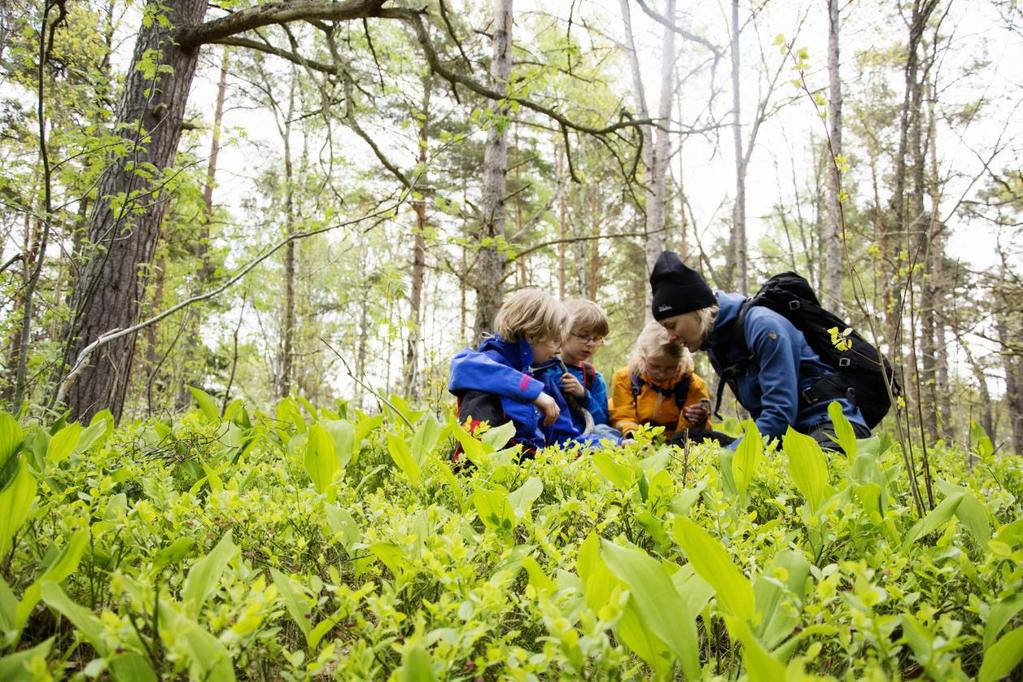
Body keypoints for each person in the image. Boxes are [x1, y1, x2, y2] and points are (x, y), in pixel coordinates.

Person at [649, 250, 871, 450]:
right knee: (686, 443)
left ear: (697, 311)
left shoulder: (763, 326)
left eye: (672, 325)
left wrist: (728, 457)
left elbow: (779, 415)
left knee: (818, 469)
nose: (671, 337)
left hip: (829, 426)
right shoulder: (716, 343)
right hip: (786, 436)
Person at [448, 289, 607, 459]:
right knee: (481, 390)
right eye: (554, 341)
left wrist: (611, 446)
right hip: (489, 461)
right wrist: (532, 392)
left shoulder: (543, 376)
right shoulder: (487, 362)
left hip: (529, 460)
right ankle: (469, 467)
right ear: (531, 336)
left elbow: (564, 437)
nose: (558, 349)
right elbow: (461, 367)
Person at [609, 320, 734, 446]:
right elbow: (622, 416)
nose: (662, 373)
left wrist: (697, 420)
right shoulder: (625, 378)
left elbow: (694, 434)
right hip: (634, 441)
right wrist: (634, 438)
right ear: (643, 356)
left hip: (674, 446)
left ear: (680, 361)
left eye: (670, 368)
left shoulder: (694, 385)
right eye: (654, 366)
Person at [533, 298, 620, 441]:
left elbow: (601, 420)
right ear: (563, 332)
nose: (590, 344)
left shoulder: (592, 378)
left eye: (597, 338)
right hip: (548, 438)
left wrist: (584, 395)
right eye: (583, 336)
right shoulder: (541, 368)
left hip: (584, 440)